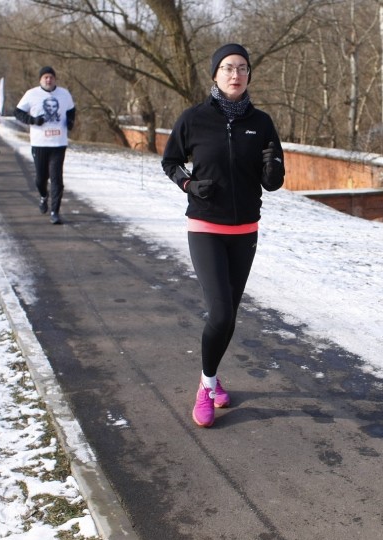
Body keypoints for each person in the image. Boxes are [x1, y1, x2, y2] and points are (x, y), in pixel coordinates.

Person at [161, 43, 285, 428]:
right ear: (215, 74)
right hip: (206, 227)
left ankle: (210, 380)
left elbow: (274, 180)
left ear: (249, 75)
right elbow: (170, 160)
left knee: (229, 315)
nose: (236, 74)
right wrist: (187, 184)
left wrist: (273, 169)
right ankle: (205, 387)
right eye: (228, 68)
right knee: (219, 312)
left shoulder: (261, 122)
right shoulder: (194, 118)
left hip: (246, 229)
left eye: (243, 68)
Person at [14, 66, 76, 225]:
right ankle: (43, 196)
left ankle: (55, 212)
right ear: (40, 80)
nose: (48, 80)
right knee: (40, 179)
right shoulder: (31, 94)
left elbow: (71, 110)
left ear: (55, 79)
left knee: (57, 179)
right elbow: (18, 112)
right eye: (45, 77)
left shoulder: (64, 94)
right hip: (39, 143)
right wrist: (33, 121)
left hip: (59, 143)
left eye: (51, 77)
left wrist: (70, 122)